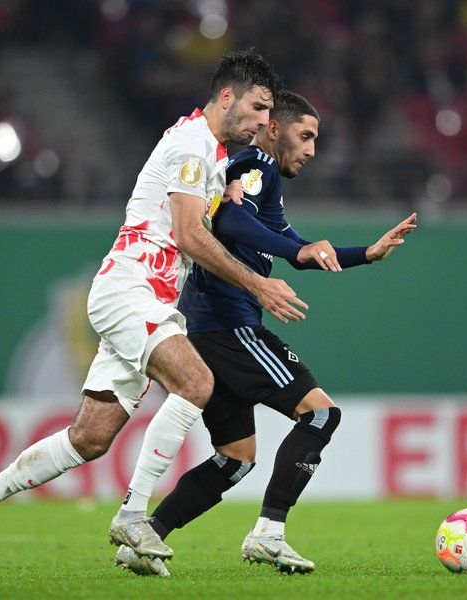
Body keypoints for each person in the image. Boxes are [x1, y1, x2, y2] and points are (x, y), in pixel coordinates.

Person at [0, 49, 307, 566]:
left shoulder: (216, 156)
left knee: (88, 439)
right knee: (196, 383)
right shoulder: (189, 144)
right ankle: (133, 515)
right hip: (127, 290)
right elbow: (187, 233)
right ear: (227, 96)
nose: (267, 121)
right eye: (259, 106)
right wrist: (257, 284)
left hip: (149, 298)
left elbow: (215, 219)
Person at [115, 91, 418, 577]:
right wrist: (278, 261)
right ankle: (269, 533)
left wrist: (366, 252)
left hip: (204, 327)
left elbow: (295, 248)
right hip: (227, 323)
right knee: (321, 415)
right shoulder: (257, 161)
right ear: (274, 129)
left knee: (235, 459)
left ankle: (145, 536)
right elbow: (228, 217)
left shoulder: (260, 184)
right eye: (306, 136)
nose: (312, 150)